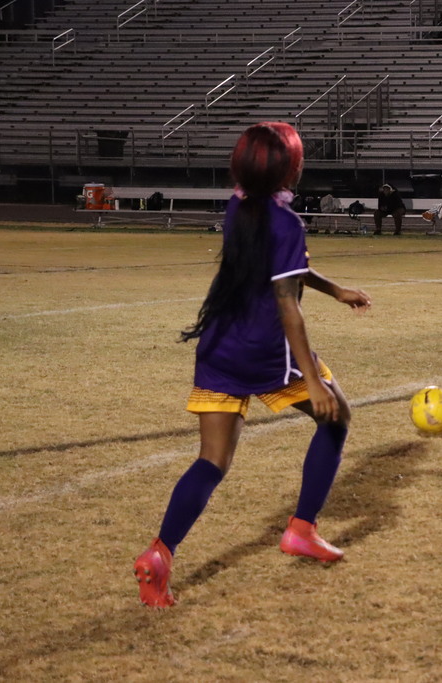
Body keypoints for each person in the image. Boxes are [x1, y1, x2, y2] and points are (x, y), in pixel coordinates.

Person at [133, 122, 372, 608]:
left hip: (220, 344)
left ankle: (159, 555)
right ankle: (302, 528)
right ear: (294, 168)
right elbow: (288, 304)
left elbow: (287, 268)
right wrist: (311, 378)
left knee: (212, 461)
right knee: (337, 416)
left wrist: (333, 289)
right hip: (266, 351)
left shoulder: (239, 207)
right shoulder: (288, 223)